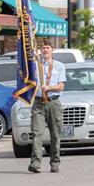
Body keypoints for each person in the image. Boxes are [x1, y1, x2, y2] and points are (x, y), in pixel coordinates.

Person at [28, 39, 66, 174]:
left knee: (55, 133)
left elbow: (61, 86)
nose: (45, 50)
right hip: (38, 103)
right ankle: (35, 163)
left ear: (52, 50)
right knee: (37, 133)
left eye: (47, 47)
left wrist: (49, 87)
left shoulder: (59, 66)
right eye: (43, 48)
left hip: (53, 102)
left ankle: (55, 162)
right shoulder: (35, 66)